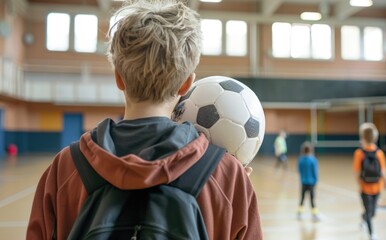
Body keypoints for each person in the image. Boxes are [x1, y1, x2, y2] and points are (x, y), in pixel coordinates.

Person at [26, 1, 262, 239]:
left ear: (119, 78)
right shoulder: (227, 175)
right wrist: (229, 185)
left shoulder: (65, 168)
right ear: (186, 83)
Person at [353, 122, 386, 240]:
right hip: (365, 188)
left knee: (372, 212)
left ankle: (363, 218)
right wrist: (360, 185)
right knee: (370, 212)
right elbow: (357, 172)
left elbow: (383, 171)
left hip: (377, 187)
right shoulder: (359, 153)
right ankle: (371, 234)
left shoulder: (378, 153)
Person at [297, 141, 319, 222]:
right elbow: (315, 172)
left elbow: (299, 170)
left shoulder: (301, 160)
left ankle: (299, 214)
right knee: (312, 199)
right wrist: (316, 181)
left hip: (303, 182)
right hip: (311, 183)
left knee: (302, 198)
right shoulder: (313, 160)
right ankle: (314, 215)